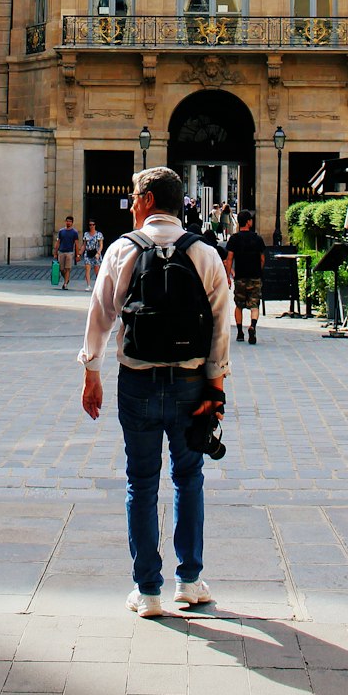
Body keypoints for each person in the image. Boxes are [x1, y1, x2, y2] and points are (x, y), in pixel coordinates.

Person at [79, 166, 231, 617]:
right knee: (189, 479)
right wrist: (216, 387)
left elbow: (101, 315)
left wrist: (92, 373)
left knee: (141, 483)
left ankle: (147, 591)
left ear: (146, 200)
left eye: (132, 195)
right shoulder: (204, 253)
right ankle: (189, 581)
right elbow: (222, 322)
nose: (129, 202)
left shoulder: (122, 250)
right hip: (190, 383)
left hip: (138, 381)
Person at [224, 209, 266, 345]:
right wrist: (259, 270)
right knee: (254, 305)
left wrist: (228, 275)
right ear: (248, 222)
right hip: (254, 276)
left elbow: (229, 259)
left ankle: (240, 332)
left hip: (240, 277)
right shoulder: (258, 239)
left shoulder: (234, 239)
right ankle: (252, 326)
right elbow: (262, 259)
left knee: (239, 305)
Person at [79, 218, 104, 290]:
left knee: (97, 270)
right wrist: (80, 253)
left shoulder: (99, 234)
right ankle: (88, 285)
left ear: (95, 225)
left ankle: (98, 285)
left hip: (96, 253)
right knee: (87, 269)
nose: (91, 226)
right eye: (90, 225)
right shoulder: (86, 234)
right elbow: (84, 245)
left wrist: (98, 253)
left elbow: (101, 244)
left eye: (93, 225)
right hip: (88, 253)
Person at [55, 214, 79, 289]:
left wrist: (77, 255)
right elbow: (58, 242)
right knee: (61, 269)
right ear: (65, 222)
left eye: (70, 221)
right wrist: (55, 252)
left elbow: (76, 244)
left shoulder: (74, 232)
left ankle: (65, 284)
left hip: (69, 252)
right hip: (61, 251)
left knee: (68, 268)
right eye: (67, 221)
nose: (68, 223)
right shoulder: (61, 231)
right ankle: (66, 278)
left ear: (72, 223)